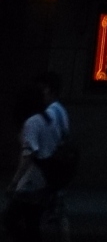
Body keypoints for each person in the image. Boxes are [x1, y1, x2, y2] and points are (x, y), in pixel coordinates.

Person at [4, 83, 57, 241]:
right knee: (32, 222)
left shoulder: (32, 122)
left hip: (31, 179)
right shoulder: (49, 120)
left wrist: (14, 182)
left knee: (10, 219)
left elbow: (28, 155)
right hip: (45, 177)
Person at [37, 72, 71, 240]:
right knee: (59, 212)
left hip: (49, 166)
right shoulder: (61, 110)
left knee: (40, 210)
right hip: (60, 166)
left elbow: (47, 139)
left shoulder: (50, 113)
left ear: (48, 89)